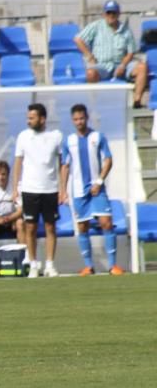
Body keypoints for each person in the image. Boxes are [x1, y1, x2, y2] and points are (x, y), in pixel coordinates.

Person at [59, 104, 125, 276]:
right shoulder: (69, 141)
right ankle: (89, 266)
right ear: (72, 121)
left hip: (97, 189)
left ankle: (112, 266)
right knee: (82, 227)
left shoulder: (98, 137)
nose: (79, 122)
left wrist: (99, 181)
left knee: (106, 223)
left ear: (86, 118)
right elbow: (65, 166)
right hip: (79, 191)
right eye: (76, 119)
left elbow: (108, 160)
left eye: (81, 118)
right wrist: (63, 190)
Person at [12, 102, 64, 278]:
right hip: (30, 189)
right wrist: (15, 188)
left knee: (50, 227)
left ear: (42, 119)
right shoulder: (23, 137)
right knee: (30, 228)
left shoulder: (55, 136)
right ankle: (33, 264)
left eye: (32, 118)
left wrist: (63, 189)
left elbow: (62, 163)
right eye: (28, 118)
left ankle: (50, 264)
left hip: (50, 189)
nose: (29, 121)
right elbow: (18, 163)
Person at [74, 0, 149, 109]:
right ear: (104, 14)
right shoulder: (96, 26)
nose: (111, 15)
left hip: (121, 65)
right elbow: (78, 39)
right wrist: (89, 56)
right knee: (90, 73)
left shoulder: (126, 30)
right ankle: (93, 104)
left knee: (142, 67)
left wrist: (123, 65)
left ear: (118, 14)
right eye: (109, 13)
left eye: (114, 13)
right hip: (102, 66)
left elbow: (131, 51)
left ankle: (137, 101)